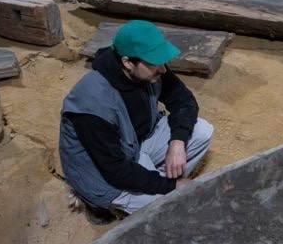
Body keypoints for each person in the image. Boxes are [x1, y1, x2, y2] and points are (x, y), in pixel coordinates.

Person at [59, 20, 213, 217]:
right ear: (127, 62)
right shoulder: (92, 105)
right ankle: (100, 205)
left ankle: (159, 179)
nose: (163, 69)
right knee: (166, 209)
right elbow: (116, 171)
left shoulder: (149, 69)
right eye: (155, 63)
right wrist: (172, 185)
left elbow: (184, 101)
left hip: (136, 144)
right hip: (105, 173)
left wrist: (177, 142)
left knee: (201, 131)